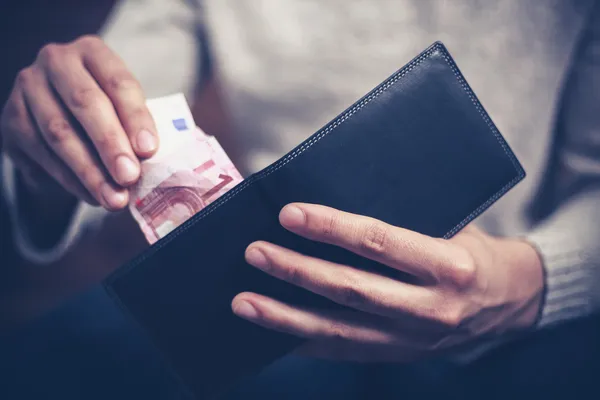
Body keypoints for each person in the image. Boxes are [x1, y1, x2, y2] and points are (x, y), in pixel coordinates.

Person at [1, 0, 599, 398]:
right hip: (260, 291)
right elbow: (125, 94)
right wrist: (58, 150)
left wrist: (525, 284)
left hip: (516, 311)